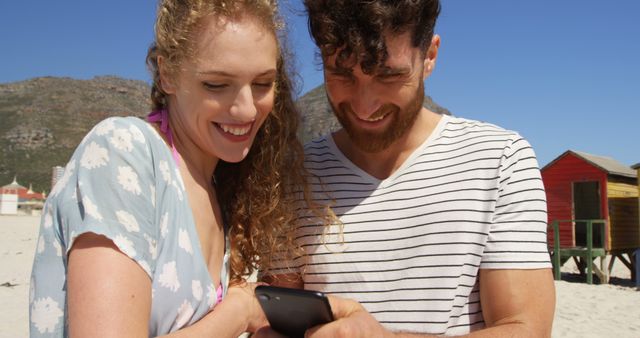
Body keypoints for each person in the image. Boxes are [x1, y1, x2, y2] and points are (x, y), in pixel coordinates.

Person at [261, 0, 556, 337]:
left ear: (429, 55)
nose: (364, 104)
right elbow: (281, 318)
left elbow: (526, 328)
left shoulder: (500, 160)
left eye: (389, 74)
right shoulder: (292, 175)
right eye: (341, 73)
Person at [29, 0, 310, 336]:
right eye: (217, 85)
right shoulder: (123, 150)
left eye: (263, 84)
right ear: (168, 74)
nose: (247, 109)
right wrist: (239, 313)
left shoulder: (218, 191)